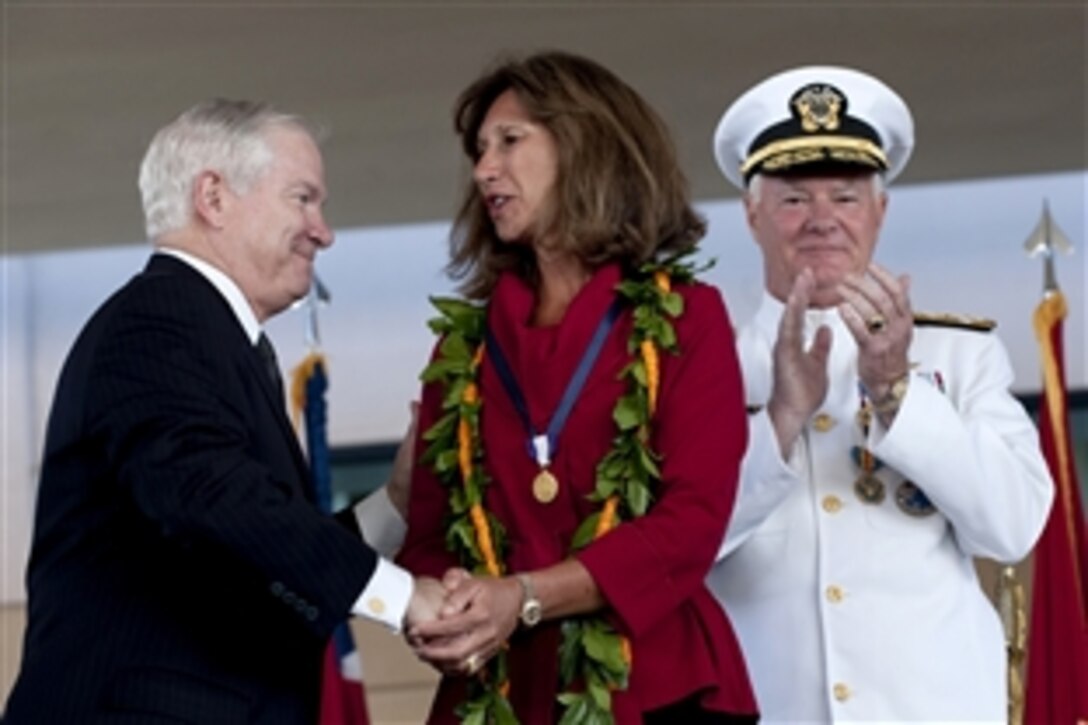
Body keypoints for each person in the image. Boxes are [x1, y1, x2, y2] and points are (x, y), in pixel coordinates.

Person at [4, 99, 444, 724]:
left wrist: (395, 502)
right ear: (213, 198)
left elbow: (256, 560)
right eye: (303, 198)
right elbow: (212, 497)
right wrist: (406, 600)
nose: (324, 230)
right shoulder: (161, 320)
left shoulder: (207, 336)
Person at [396, 51, 758, 724]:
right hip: (500, 693)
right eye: (479, 151)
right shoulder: (461, 348)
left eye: (509, 141)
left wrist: (525, 595)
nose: (483, 170)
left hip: (655, 685)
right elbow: (429, 535)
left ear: (583, 147)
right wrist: (453, 608)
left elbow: (692, 522)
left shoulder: (685, 317)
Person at [706, 65, 1055, 722]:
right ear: (752, 215)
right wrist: (780, 418)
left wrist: (897, 392)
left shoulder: (959, 353)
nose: (821, 220)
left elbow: (1012, 528)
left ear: (880, 211)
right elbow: (674, 547)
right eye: (792, 199)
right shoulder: (704, 366)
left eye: (844, 196)